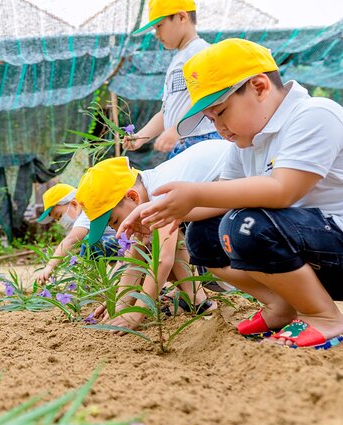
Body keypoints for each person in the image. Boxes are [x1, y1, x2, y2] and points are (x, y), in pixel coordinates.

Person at [120, 38, 343, 349]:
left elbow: (283, 191)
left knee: (245, 225)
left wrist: (195, 194)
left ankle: (324, 316)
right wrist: (163, 213)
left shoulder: (314, 114)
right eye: (211, 120)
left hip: (336, 246)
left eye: (221, 112)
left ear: (259, 87)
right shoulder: (245, 143)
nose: (220, 126)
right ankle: (280, 305)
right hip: (309, 249)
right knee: (202, 234)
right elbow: (222, 197)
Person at [75, 139, 232, 330]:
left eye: (115, 221)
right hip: (221, 231)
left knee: (164, 242)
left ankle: (198, 300)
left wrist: (138, 312)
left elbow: (162, 260)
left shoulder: (160, 191)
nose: (119, 230)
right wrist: (119, 305)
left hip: (237, 248)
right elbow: (134, 257)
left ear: (132, 196)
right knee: (153, 240)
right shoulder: (147, 190)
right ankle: (195, 300)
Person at [125, 0, 220, 158]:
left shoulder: (200, 51)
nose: (156, 35)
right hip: (181, 141)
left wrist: (176, 130)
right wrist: (140, 137)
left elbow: (204, 98)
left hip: (200, 139)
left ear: (182, 17)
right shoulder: (177, 60)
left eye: (159, 26)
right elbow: (165, 112)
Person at [35, 184, 121, 285]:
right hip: (118, 242)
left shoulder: (86, 211)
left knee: (91, 245)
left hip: (124, 241)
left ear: (75, 204)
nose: (60, 222)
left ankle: (92, 284)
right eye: (57, 220)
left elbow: (71, 240)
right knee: (91, 247)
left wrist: (50, 266)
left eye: (60, 216)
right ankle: (99, 282)